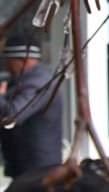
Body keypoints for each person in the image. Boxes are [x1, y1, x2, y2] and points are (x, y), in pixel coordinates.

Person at [0, 35, 62, 179]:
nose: (6, 67)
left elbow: (12, 114)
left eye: (9, 61)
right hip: (24, 165)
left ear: (24, 61)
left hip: (38, 167)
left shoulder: (38, 83)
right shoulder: (23, 80)